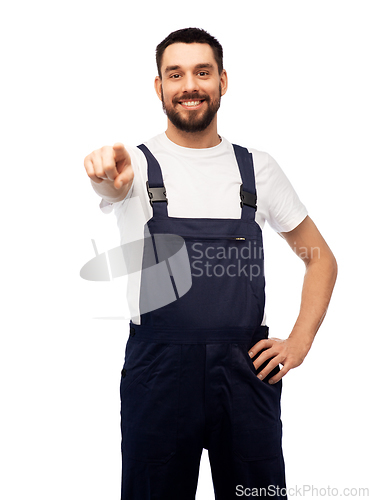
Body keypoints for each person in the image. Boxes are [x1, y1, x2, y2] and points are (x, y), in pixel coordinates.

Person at [83, 28, 337, 500]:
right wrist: (104, 173)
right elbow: (111, 185)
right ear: (159, 87)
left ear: (223, 80)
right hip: (157, 374)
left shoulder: (256, 169)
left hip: (246, 373)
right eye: (175, 74)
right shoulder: (134, 167)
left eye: (202, 72)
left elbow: (321, 259)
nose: (189, 85)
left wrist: (299, 343)